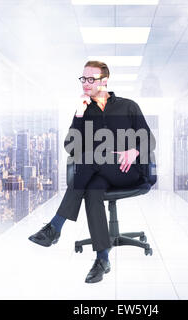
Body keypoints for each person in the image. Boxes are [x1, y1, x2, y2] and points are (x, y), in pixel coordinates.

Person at [28, 60, 156, 283]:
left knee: (90, 158)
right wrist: (79, 115)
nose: (85, 83)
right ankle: (102, 259)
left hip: (129, 172)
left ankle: (55, 226)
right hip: (98, 173)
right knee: (93, 189)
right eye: (83, 79)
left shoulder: (128, 106)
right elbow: (70, 147)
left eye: (91, 79)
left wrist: (134, 151)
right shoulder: (84, 111)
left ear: (104, 81)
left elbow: (150, 140)